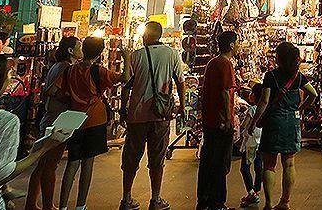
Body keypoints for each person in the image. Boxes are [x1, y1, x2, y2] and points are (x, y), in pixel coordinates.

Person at [0, 53, 74, 210]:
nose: (11, 77)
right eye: (8, 74)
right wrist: (42, 149)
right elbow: (2, 173)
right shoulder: (4, 121)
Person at [120, 21, 186, 210]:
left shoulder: (136, 56)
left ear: (146, 36)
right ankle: (156, 199)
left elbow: (126, 86)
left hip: (137, 115)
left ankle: (126, 199)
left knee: (131, 158)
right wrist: (181, 105)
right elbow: (180, 82)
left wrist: (123, 109)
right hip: (161, 115)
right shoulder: (172, 54)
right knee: (157, 159)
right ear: (160, 35)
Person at [57, 36, 127, 210]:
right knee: (88, 163)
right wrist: (127, 58)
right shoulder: (99, 71)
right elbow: (124, 78)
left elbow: (58, 91)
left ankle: (63, 206)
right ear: (100, 52)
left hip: (74, 120)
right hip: (95, 120)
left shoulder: (70, 71)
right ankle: (81, 205)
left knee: (72, 163)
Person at [255, 42, 317, 210]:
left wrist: (254, 121)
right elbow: (313, 94)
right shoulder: (298, 77)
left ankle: (268, 203)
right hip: (292, 122)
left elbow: (264, 101)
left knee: (269, 164)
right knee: (289, 163)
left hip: (274, 122)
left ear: (279, 58)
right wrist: (302, 108)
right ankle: (285, 202)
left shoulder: (270, 76)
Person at [25, 36, 81, 210]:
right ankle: (48, 205)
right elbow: (51, 91)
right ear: (71, 51)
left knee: (43, 164)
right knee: (50, 165)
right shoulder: (65, 67)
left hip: (52, 116)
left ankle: (32, 204)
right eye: (79, 46)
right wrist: (70, 98)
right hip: (58, 119)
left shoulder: (59, 66)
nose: (82, 49)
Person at [197, 30, 239, 210]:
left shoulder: (212, 63)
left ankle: (204, 198)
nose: (238, 46)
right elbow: (225, 93)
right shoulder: (225, 64)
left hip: (210, 119)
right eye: (237, 42)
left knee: (208, 159)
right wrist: (228, 119)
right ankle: (218, 201)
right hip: (220, 121)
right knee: (221, 162)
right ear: (231, 45)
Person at [238, 83, 265, 208]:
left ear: (254, 96)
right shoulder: (264, 108)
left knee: (244, 168)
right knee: (258, 167)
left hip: (250, 143)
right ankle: (256, 190)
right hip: (261, 142)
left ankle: (251, 193)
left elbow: (244, 125)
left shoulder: (251, 109)